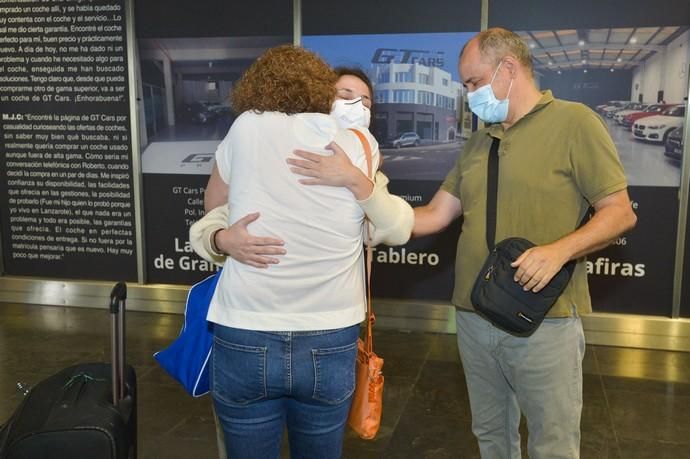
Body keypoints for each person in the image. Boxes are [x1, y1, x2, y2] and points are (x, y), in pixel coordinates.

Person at [283, 28, 638, 459]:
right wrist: (360, 206)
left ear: (508, 69)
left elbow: (620, 211)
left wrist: (558, 250)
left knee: (553, 443)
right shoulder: (478, 142)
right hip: (473, 317)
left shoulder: (575, 122)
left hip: (546, 320)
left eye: (472, 82)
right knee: (490, 435)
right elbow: (433, 215)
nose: (469, 94)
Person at [197, 46, 412, 459]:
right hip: (330, 334)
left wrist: (227, 237)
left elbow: (213, 209)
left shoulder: (244, 128)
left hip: (246, 326)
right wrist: (352, 184)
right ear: (323, 90)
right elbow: (397, 227)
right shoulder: (359, 145)